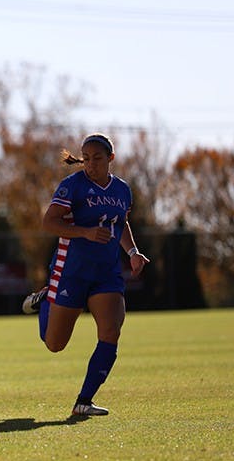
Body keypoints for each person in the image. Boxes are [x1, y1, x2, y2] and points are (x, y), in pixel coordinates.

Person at [22, 133, 150, 416]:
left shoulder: (122, 190)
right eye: (86, 158)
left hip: (106, 273)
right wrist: (85, 232)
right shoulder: (72, 186)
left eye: (97, 158)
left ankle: (84, 401)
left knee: (111, 331)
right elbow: (49, 223)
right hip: (72, 271)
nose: (91, 164)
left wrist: (133, 253)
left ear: (111, 159)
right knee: (55, 344)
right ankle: (46, 300)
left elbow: (121, 224)